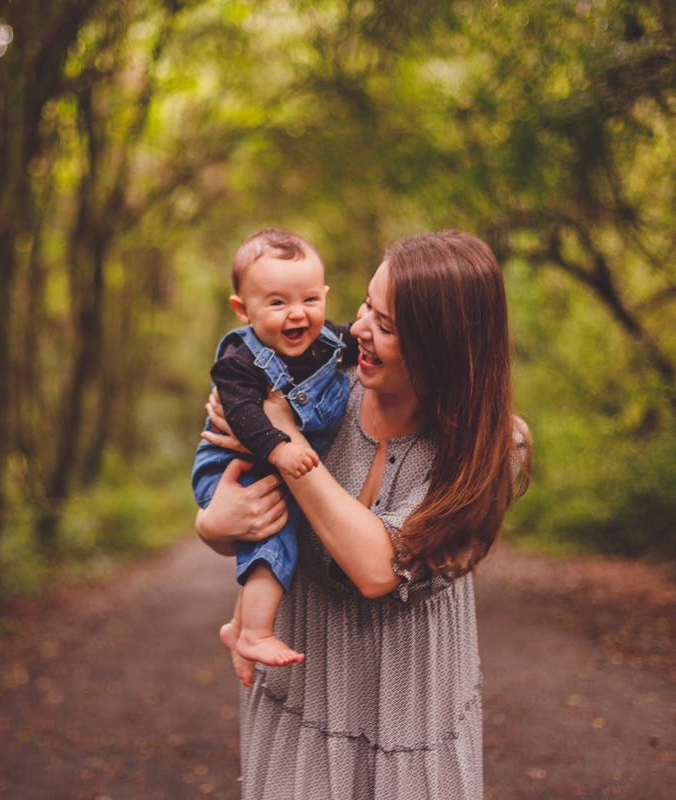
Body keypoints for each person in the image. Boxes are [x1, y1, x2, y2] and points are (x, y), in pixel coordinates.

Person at [195, 229, 530, 799]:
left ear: (443, 348)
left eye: (388, 325)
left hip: (412, 703)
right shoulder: (323, 393)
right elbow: (242, 493)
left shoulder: (492, 451)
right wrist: (214, 527)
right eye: (366, 306)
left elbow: (379, 568)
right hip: (305, 684)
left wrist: (285, 436)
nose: (359, 330)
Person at [191, 228, 359, 685]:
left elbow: (363, 342)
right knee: (274, 536)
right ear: (243, 309)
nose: (298, 315)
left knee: (274, 532)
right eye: (277, 303)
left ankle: (238, 627)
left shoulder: (329, 340)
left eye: (309, 299)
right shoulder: (238, 359)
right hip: (232, 465)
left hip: (272, 460)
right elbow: (242, 414)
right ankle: (257, 634)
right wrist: (281, 449)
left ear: (324, 296)